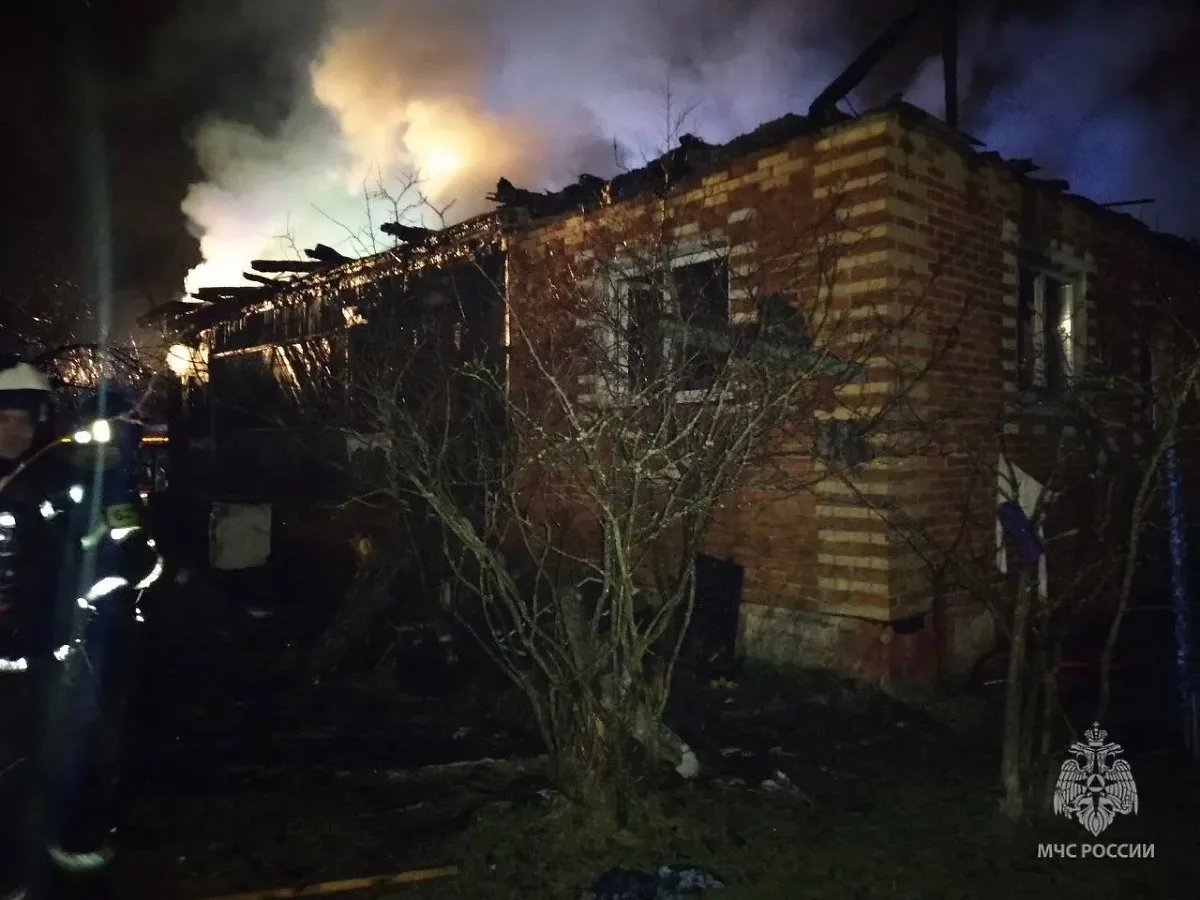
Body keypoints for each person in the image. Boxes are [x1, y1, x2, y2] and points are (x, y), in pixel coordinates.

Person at [1, 366, 163, 899]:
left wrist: (125, 561)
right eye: (4, 419)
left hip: (53, 659)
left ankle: (79, 869)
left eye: (24, 420)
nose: (15, 431)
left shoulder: (65, 482)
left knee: (75, 765)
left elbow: (118, 547)